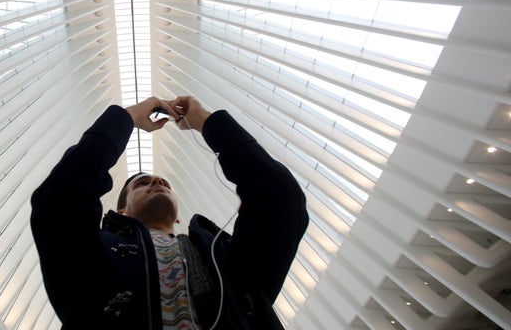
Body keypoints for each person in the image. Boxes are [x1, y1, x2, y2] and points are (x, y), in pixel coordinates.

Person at [30, 96, 309, 329]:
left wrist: (208, 123)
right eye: (141, 183)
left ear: (178, 217)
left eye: (163, 182)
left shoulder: (224, 256)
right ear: (122, 211)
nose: (157, 181)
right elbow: (60, 197)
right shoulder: (91, 252)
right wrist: (127, 117)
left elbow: (280, 197)